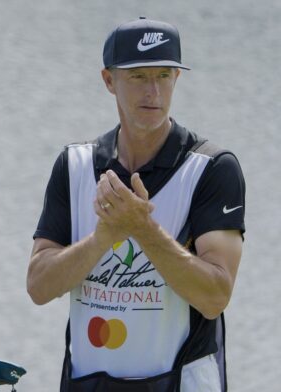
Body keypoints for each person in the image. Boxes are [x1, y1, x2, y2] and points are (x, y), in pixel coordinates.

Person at [26, 17, 245, 391]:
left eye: (164, 75)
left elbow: (214, 297)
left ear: (177, 79)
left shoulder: (211, 169)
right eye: (139, 76)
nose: (154, 92)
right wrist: (102, 239)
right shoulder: (75, 166)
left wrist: (143, 230)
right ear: (109, 81)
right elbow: (39, 287)